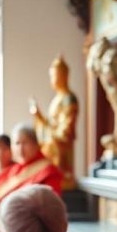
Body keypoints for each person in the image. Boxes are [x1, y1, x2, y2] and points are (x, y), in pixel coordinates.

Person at [30, 54, 79, 189]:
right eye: (51, 76)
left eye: (55, 75)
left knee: (49, 146)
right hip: (52, 138)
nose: (53, 79)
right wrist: (39, 117)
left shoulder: (69, 98)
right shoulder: (57, 99)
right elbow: (50, 124)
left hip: (60, 145)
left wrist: (45, 125)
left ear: (64, 76)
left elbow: (65, 131)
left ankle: (60, 176)